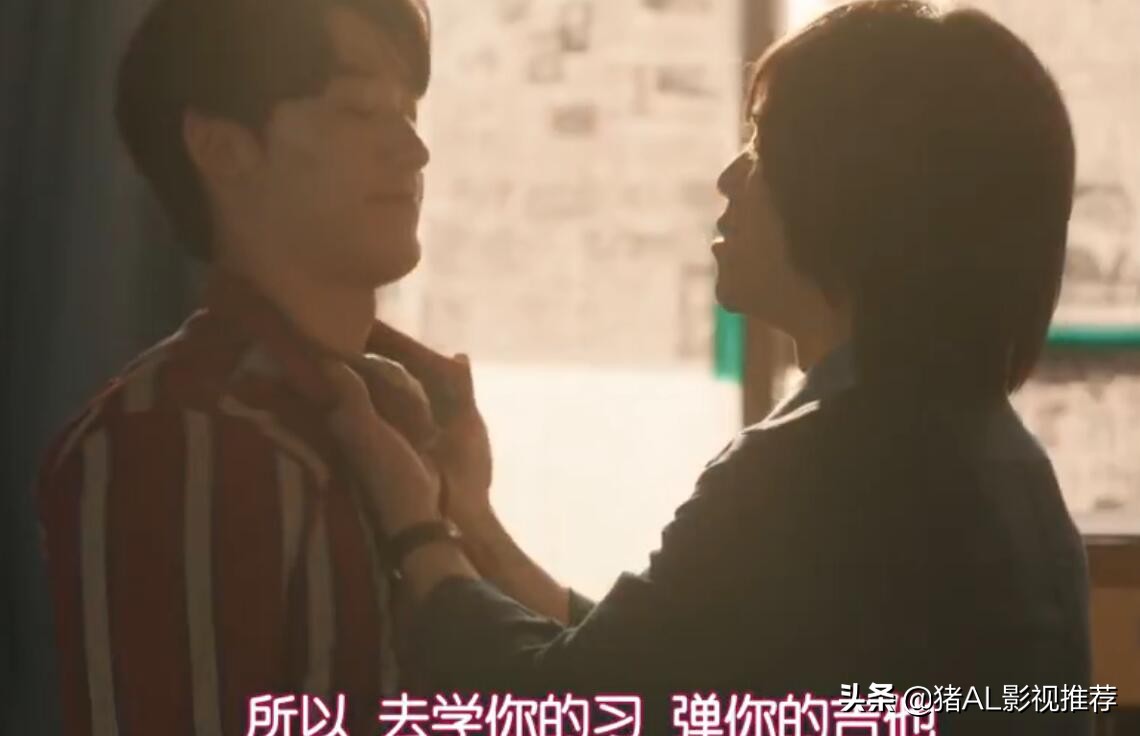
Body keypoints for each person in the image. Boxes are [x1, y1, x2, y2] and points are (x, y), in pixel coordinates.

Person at [324, 1, 1091, 733]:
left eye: (762, 146)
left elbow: (566, 707)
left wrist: (412, 521)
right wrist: (475, 522)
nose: (728, 176)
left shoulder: (821, 467)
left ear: (854, 192)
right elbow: (658, 671)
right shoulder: (993, 456)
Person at [33, 1, 470, 734]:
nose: (413, 150)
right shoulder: (176, 436)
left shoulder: (404, 416)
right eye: (360, 109)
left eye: (410, 113)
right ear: (221, 147)